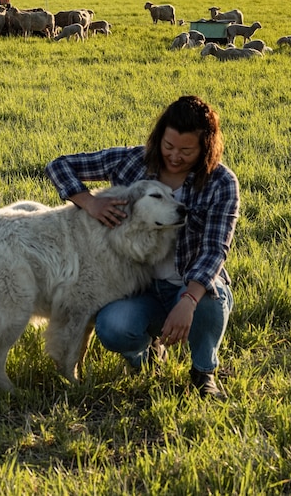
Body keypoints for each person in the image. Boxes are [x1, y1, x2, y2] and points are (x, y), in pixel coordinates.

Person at [45, 95, 239, 398]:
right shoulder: (132, 161)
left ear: (205, 147)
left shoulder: (221, 182)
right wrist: (90, 202)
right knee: (113, 327)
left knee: (210, 301)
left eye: (186, 150)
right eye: (168, 146)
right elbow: (59, 166)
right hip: (137, 288)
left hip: (188, 283)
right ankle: (145, 355)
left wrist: (188, 300)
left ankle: (203, 373)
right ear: (159, 137)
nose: (174, 156)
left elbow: (215, 250)